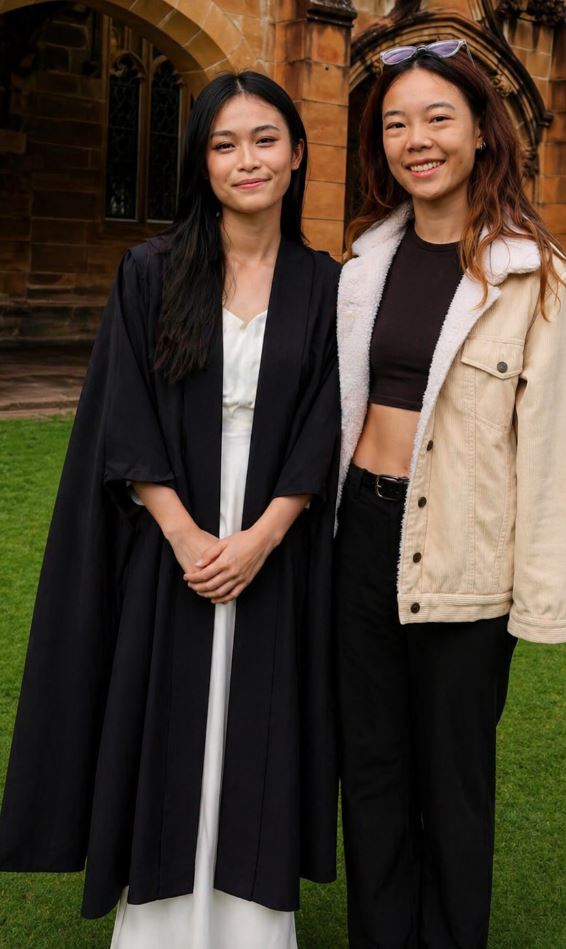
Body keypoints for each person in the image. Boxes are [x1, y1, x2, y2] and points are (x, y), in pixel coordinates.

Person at [0, 71, 340, 949]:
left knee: (259, 721)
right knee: (167, 714)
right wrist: (187, 535)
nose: (246, 160)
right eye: (224, 144)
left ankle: (252, 931)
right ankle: (156, 930)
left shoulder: (323, 284)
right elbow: (124, 409)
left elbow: (323, 421)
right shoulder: (152, 271)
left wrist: (261, 537)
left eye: (264, 139)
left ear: (297, 153)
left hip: (273, 538)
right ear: (201, 162)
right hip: (171, 534)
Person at [334, 40, 566, 949]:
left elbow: (548, 455)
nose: (416, 140)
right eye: (395, 124)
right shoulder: (362, 263)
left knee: (452, 778)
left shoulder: (537, 277)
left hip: (464, 555)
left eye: (438, 118)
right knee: (370, 769)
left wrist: (538, 600)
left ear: (481, 131)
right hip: (358, 537)